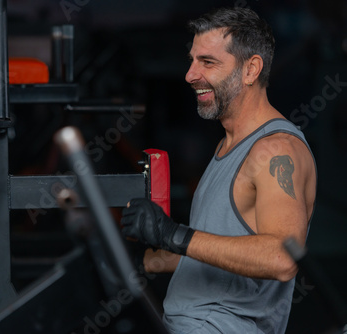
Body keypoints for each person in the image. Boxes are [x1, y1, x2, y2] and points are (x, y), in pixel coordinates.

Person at [121, 7, 317, 334]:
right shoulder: (231, 144)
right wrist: (134, 262)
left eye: (208, 62)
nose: (190, 75)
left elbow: (282, 258)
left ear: (251, 69)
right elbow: (214, 253)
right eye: (192, 60)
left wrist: (173, 234)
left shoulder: (275, 150)